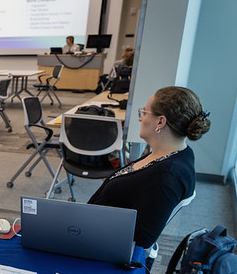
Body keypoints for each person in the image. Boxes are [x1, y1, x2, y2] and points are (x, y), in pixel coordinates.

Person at [89, 86, 211, 253]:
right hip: (92, 231)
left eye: (144, 112)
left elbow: (142, 239)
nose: (140, 118)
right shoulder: (173, 154)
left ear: (160, 121)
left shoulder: (167, 176)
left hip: (100, 246)